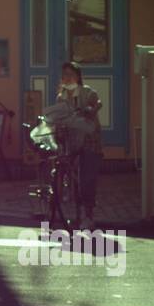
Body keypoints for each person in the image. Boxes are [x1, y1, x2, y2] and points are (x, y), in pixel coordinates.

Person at [56, 61, 102, 228]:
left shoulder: (88, 92)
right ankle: (77, 213)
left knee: (87, 180)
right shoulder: (61, 97)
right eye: (64, 75)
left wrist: (89, 110)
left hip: (90, 142)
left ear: (78, 76)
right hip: (72, 143)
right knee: (75, 180)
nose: (66, 78)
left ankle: (88, 216)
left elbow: (96, 103)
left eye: (70, 74)